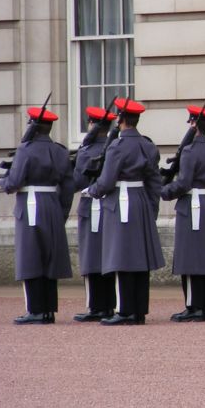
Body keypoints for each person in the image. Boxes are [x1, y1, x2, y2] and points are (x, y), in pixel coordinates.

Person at [86, 97, 164, 325]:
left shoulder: (117, 147)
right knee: (139, 259)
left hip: (121, 202)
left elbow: (107, 181)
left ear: (120, 119)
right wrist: (151, 209)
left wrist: (92, 190)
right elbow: (154, 183)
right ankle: (138, 311)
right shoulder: (148, 145)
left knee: (121, 258)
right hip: (141, 202)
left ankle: (125, 311)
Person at [0, 106, 74, 324]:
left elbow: (15, 181)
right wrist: (62, 212)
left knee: (30, 257)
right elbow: (68, 186)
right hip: (53, 204)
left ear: (33, 125)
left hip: (31, 203)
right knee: (49, 257)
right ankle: (48, 310)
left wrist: (2, 182)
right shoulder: (60, 151)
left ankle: (36, 310)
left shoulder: (25, 149)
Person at [161, 104, 205, 322]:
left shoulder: (190, 151)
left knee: (190, 259)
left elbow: (183, 183)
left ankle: (193, 307)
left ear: (194, 124)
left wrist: (164, 191)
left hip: (193, 206)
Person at [70, 105, 117, 322]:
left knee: (90, 257)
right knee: (108, 255)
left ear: (91, 124)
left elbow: (77, 182)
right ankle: (110, 304)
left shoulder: (86, 151)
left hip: (91, 205)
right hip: (111, 206)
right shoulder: (115, 146)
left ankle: (96, 306)